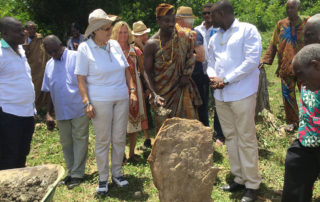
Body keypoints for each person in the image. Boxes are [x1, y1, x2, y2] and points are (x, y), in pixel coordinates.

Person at [75, 8, 137, 195]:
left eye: (110, 27)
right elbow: (81, 79)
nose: (110, 30)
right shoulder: (85, 48)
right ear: (95, 30)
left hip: (121, 98)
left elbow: (126, 71)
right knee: (103, 140)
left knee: (119, 138)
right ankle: (103, 177)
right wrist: (86, 102)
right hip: (100, 100)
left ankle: (117, 173)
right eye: (105, 28)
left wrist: (132, 90)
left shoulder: (115, 45)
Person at [207, 1, 262, 201]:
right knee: (231, 137)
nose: (209, 19)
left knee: (246, 138)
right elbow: (211, 62)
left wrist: (227, 79)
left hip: (242, 93)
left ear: (221, 13)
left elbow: (252, 61)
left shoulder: (247, 31)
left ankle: (252, 184)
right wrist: (213, 77)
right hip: (221, 96)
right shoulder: (215, 37)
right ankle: (239, 178)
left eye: (212, 15)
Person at [144, 3, 202, 131]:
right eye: (166, 21)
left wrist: (186, 74)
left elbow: (192, 55)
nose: (171, 24)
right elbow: (146, 72)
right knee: (165, 130)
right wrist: (154, 94)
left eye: (173, 20)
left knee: (187, 127)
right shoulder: (151, 44)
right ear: (158, 21)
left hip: (182, 89)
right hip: (162, 95)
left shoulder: (183, 37)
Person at [41, 35, 89, 189]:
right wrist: (48, 113)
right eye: (50, 52)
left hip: (78, 107)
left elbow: (86, 81)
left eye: (56, 50)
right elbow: (48, 90)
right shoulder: (49, 65)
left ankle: (77, 174)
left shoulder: (76, 57)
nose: (54, 54)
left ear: (61, 44)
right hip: (61, 111)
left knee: (80, 139)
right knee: (66, 143)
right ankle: (70, 171)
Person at [282, 14, 320, 202]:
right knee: (294, 165)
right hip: (308, 139)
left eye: (310, 35)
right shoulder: (307, 63)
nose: (304, 41)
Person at [260, 0, 309, 132]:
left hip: (305, 67)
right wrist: (265, 59)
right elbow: (273, 43)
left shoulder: (306, 22)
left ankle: (310, 122)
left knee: (308, 95)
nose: (289, 10)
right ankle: (293, 121)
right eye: (287, 8)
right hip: (286, 67)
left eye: (292, 8)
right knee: (288, 96)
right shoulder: (280, 24)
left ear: (298, 8)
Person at [0, 17, 35, 170]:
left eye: (23, 29)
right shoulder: (1, 53)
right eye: (18, 31)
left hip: (27, 113)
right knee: (8, 156)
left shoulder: (21, 50)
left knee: (22, 153)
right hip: (8, 114)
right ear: (5, 34)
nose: (24, 33)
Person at [111, 21, 149, 162]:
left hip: (135, 88)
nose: (123, 35)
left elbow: (143, 71)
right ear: (115, 33)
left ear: (129, 34)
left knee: (134, 122)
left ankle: (132, 153)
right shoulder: (111, 50)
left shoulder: (135, 51)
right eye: (120, 32)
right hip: (116, 88)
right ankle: (120, 155)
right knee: (118, 124)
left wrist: (147, 89)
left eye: (125, 32)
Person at [195, 3, 225, 145]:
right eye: (205, 13)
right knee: (202, 102)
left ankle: (220, 134)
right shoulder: (196, 30)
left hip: (216, 71)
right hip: (200, 71)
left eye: (210, 13)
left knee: (218, 102)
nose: (207, 16)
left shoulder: (220, 29)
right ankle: (205, 131)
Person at [132, 20, 152, 148]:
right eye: (142, 34)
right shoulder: (133, 49)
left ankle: (149, 138)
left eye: (145, 34)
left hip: (150, 82)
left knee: (148, 112)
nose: (145, 36)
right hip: (141, 83)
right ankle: (147, 139)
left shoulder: (149, 45)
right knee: (144, 112)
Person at [24, 21, 50, 114]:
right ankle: (31, 111)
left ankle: (41, 110)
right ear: (25, 30)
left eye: (34, 28)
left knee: (42, 88)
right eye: (30, 28)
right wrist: (25, 38)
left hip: (41, 69)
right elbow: (25, 53)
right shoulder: (22, 39)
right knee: (32, 90)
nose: (32, 30)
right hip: (30, 70)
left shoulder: (40, 38)